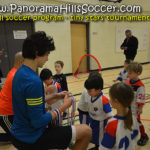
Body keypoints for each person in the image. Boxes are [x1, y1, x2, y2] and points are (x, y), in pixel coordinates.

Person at [11, 31, 92, 150]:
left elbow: (30, 104)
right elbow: (37, 122)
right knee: (86, 131)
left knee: (67, 136)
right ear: (37, 53)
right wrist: (63, 107)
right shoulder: (34, 81)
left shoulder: (19, 73)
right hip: (31, 138)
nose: (48, 58)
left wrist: (56, 96)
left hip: (18, 133)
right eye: (47, 54)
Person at [100, 83, 139, 150]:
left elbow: (104, 148)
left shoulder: (112, 124)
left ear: (116, 101)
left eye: (110, 98)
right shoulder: (134, 118)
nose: (109, 100)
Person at [84, 75, 113, 150]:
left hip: (101, 123)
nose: (88, 92)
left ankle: (100, 147)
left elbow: (110, 115)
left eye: (90, 90)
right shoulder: (91, 95)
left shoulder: (104, 100)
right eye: (87, 90)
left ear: (98, 90)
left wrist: (108, 125)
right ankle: (97, 145)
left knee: (101, 138)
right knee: (95, 136)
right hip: (93, 120)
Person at [0, 52, 23, 142]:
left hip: (10, 111)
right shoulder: (15, 76)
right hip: (5, 113)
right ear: (21, 63)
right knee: (16, 137)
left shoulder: (15, 71)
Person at [126, 62, 149, 146]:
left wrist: (140, 108)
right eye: (128, 72)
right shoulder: (128, 81)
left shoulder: (140, 86)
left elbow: (141, 98)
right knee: (128, 120)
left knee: (137, 122)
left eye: (130, 73)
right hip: (128, 106)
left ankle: (144, 135)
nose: (128, 74)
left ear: (138, 73)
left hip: (135, 108)